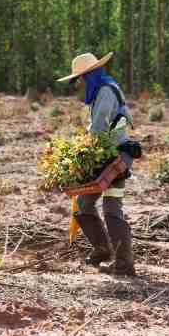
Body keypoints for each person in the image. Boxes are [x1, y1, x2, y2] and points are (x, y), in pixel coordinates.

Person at [57, 52, 136, 276]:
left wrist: (81, 152)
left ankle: (124, 264)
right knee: (84, 204)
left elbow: (100, 128)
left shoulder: (105, 91)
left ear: (89, 75)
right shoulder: (102, 89)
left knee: (111, 207)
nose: (80, 83)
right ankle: (102, 250)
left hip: (115, 159)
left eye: (81, 78)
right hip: (107, 156)